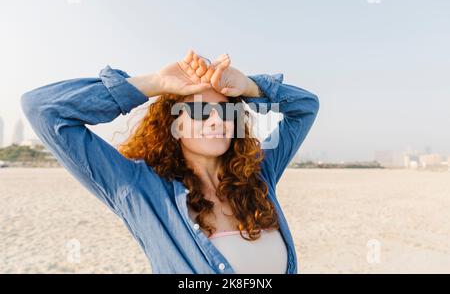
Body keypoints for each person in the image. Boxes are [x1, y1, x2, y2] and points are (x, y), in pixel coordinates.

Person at [21, 49, 320, 274]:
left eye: (226, 111)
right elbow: (44, 110)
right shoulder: (138, 188)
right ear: (174, 124)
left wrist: (252, 87)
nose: (217, 120)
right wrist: (153, 83)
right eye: (201, 111)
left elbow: (306, 107)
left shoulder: (259, 175)